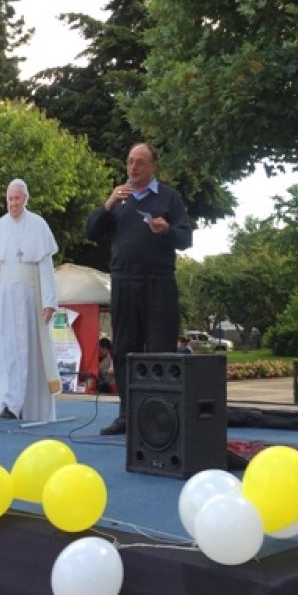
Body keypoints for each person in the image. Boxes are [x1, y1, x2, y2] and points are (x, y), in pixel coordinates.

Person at [85, 142, 193, 435]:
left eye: (140, 162)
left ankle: (163, 416)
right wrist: (107, 204)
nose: (133, 167)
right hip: (123, 281)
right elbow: (91, 231)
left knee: (160, 350)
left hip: (158, 282)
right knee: (123, 350)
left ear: (153, 166)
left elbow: (186, 239)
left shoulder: (169, 198)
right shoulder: (120, 199)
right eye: (130, 161)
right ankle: (127, 414)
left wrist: (167, 230)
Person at [0, 179, 61, 422]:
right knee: (8, 351)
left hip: (30, 298)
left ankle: (29, 406)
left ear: (25, 199)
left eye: (17, 198)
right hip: (5, 297)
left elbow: (45, 267)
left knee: (29, 349)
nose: (13, 203)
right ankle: (8, 403)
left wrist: (49, 301)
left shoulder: (38, 225)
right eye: (9, 199)